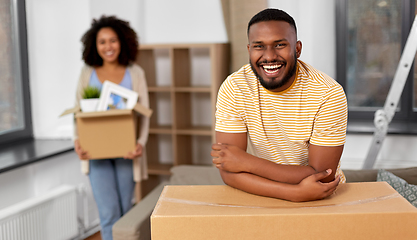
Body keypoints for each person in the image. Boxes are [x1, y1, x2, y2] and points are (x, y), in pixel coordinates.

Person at [211, 8, 347, 202]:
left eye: (280, 45)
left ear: (297, 48)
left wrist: (246, 162)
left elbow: (323, 176)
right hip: (264, 195)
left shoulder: (328, 93)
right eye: (259, 46)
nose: (269, 56)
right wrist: (294, 193)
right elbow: (228, 171)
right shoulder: (234, 88)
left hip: (319, 198)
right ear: (249, 50)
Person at [73, 16, 149, 240]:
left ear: (122, 42)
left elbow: (145, 113)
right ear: (94, 46)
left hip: (127, 152)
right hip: (96, 153)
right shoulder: (87, 73)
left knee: (125, 212)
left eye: (113, 40)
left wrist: (140, 143)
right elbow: (77, 112)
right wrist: (77, 141)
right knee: (108, 214)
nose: (108, 46)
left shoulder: (135, 73)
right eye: (102, 41)